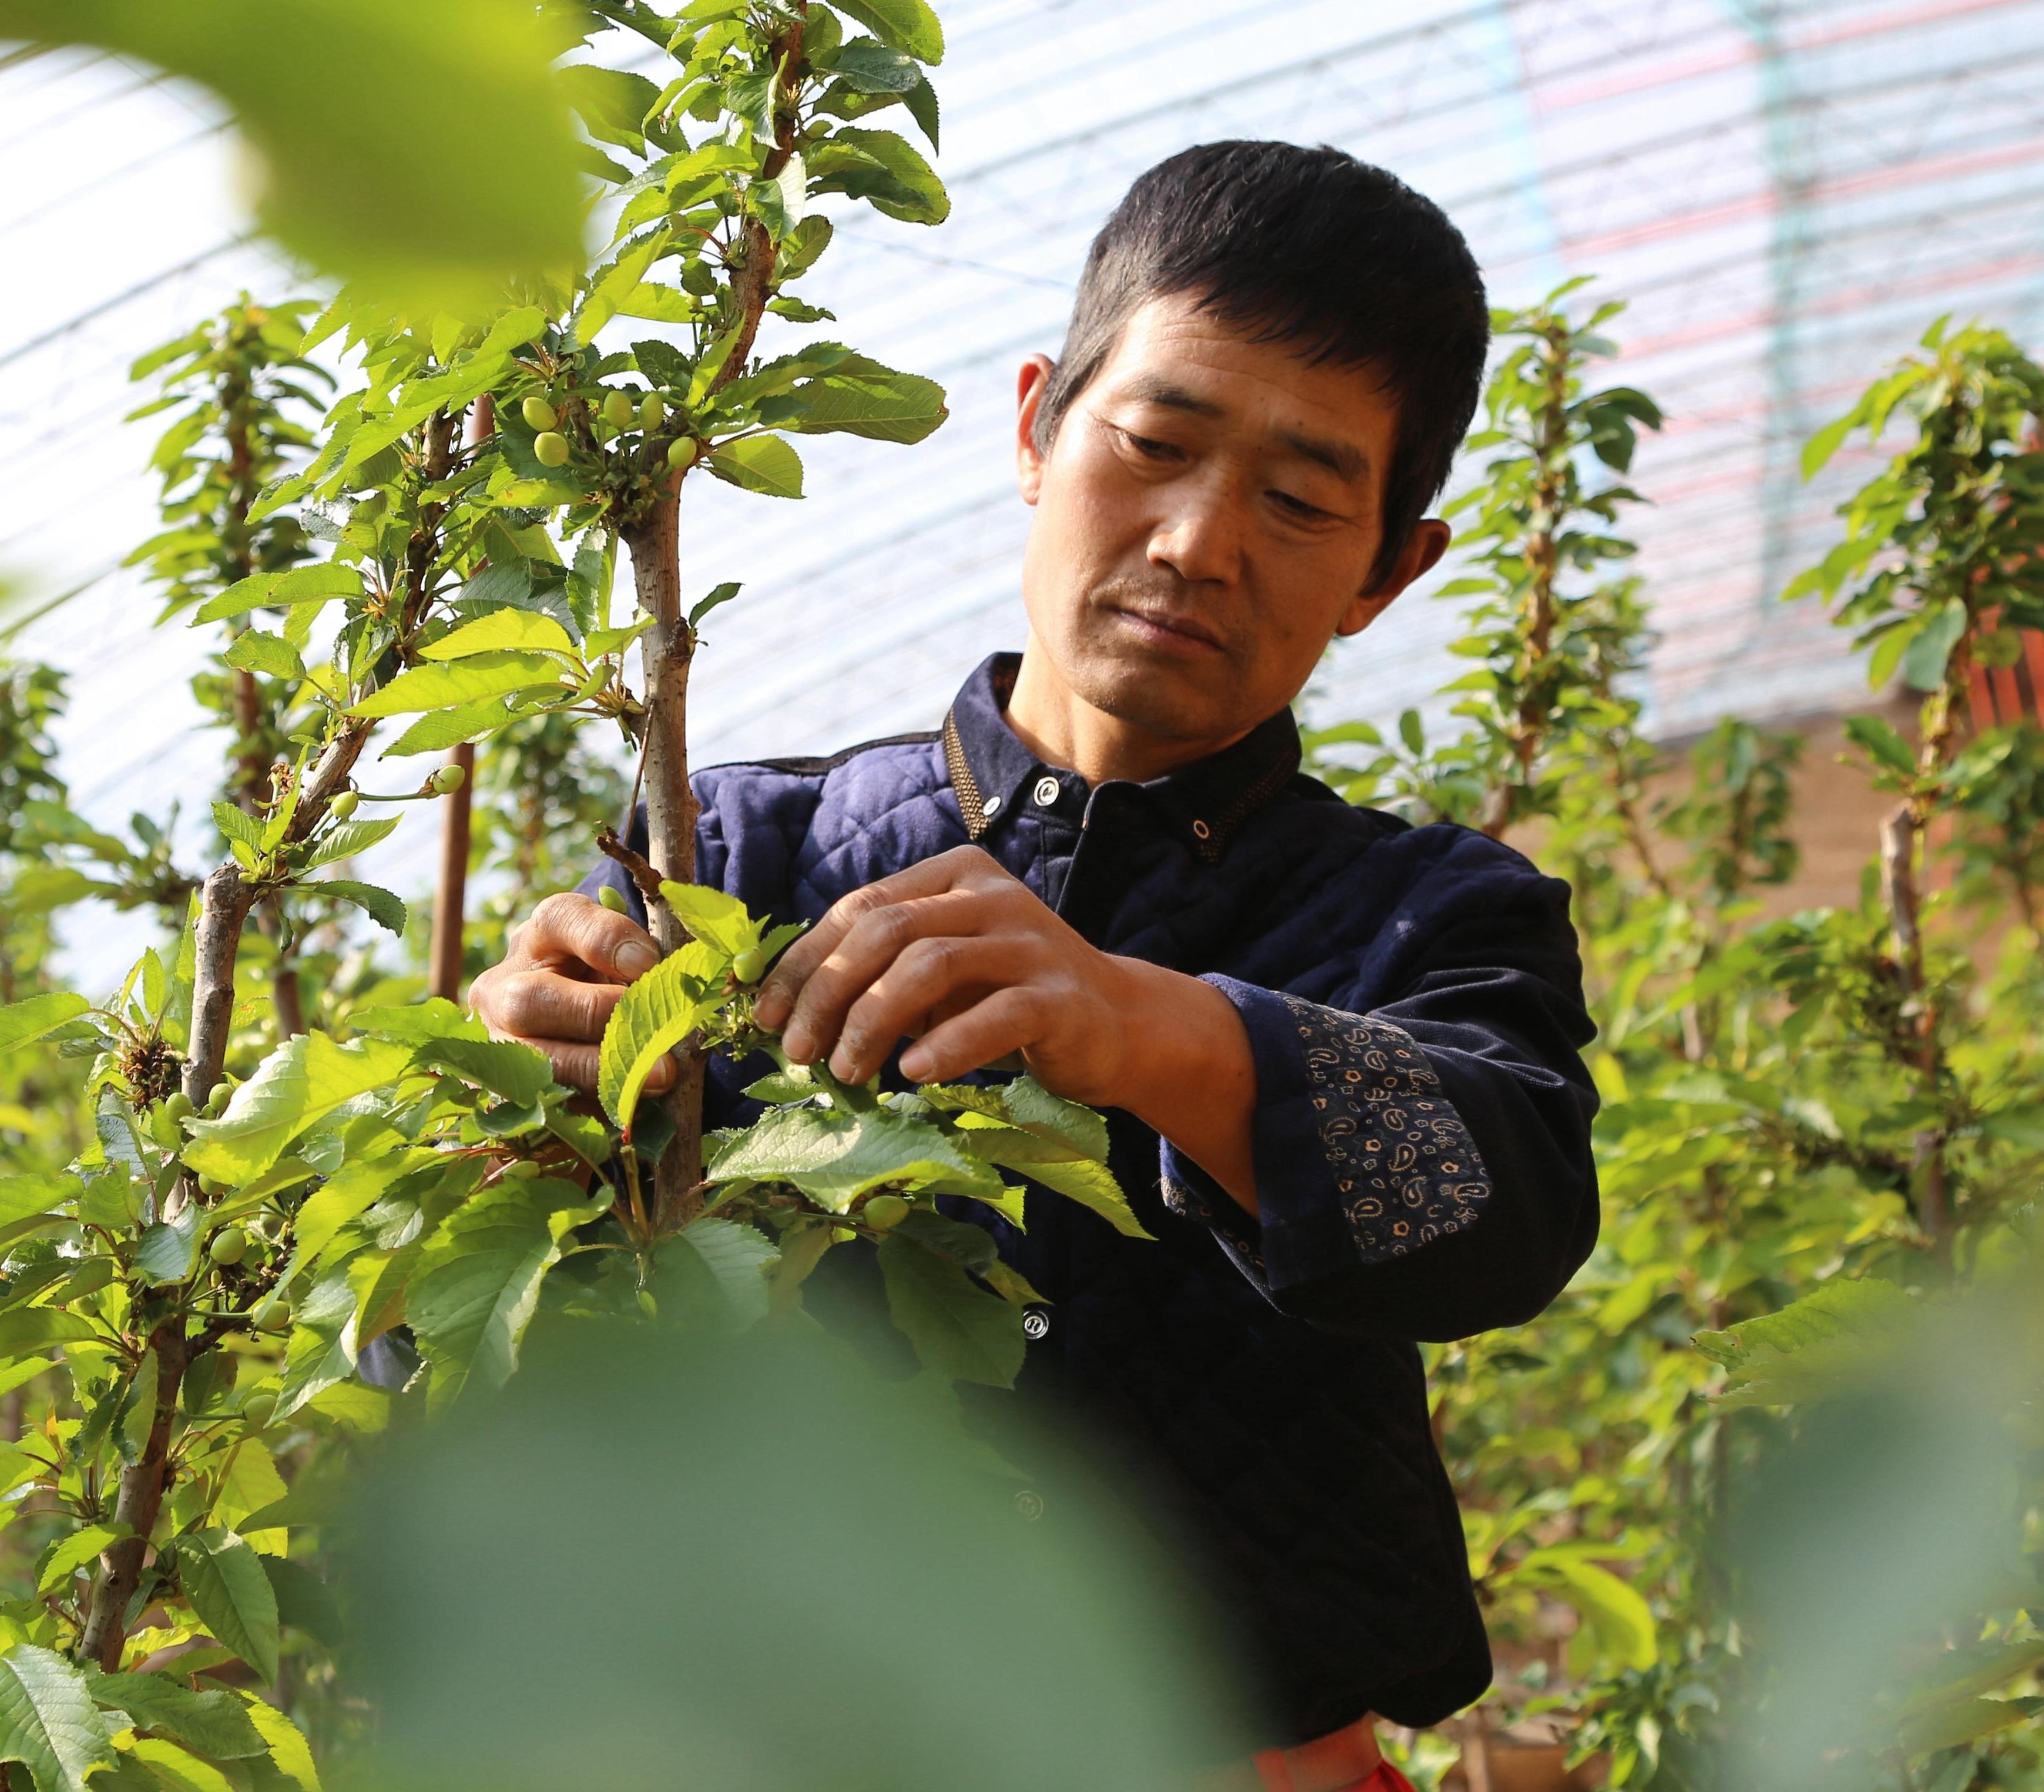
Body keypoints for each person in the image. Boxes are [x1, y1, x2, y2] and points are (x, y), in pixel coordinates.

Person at [467, 140, 1600, 1792]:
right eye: (1151, 443)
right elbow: (478, 1370)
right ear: (1032, 430)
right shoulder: (736, 859)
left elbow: (1500, 1212)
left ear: (1386, 572)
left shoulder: (1420, 915)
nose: (1200, 542)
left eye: (1297, 501)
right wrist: (503, 1134)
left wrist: (1154, 1032)